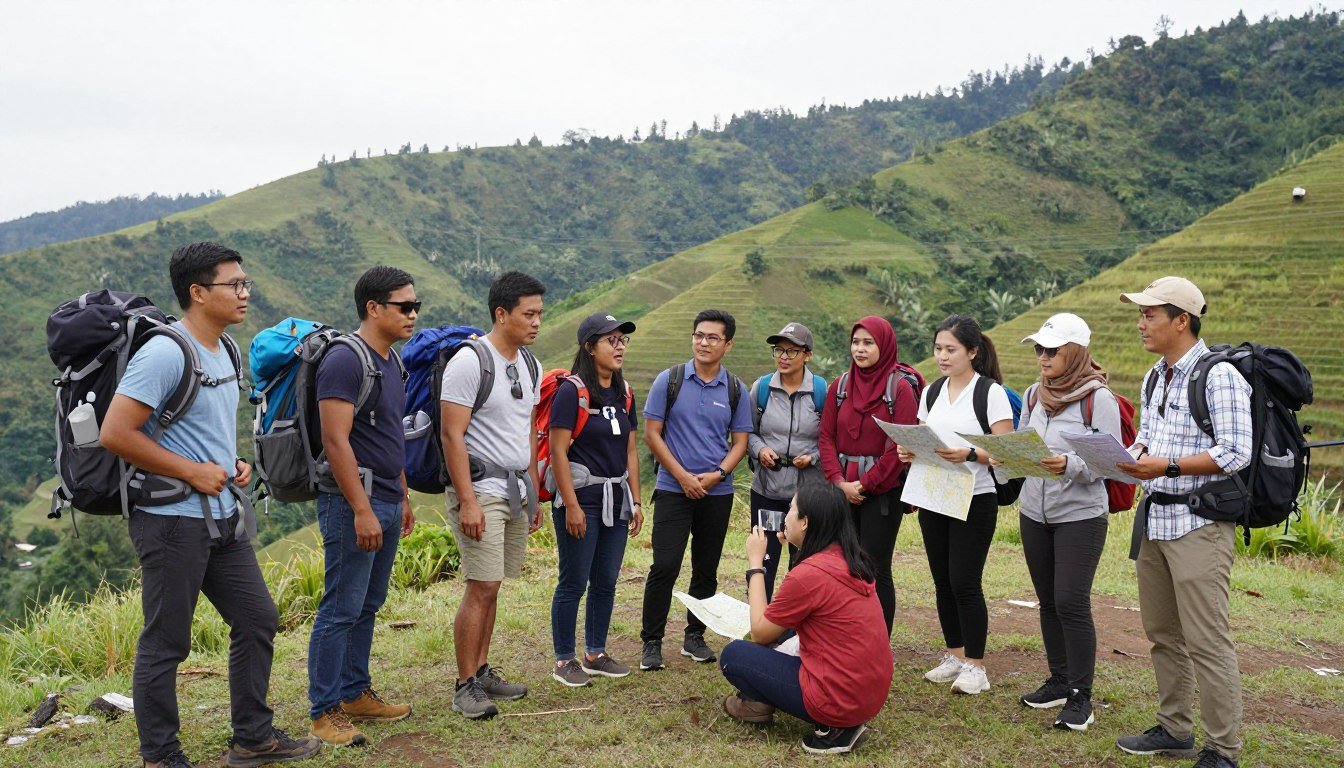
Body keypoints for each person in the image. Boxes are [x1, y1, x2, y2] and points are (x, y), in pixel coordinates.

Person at [101, 242, 320, 768]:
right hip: (171, 523)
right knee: (167, 642)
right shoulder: (165, 352)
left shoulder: (227, 349)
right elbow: (115, 432)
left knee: (258, 619)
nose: (246, 293)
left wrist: (233, 463)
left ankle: (253, 738)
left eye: (245, 283)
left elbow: (202, 431)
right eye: (234, 285)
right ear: (198, 293)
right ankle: (161, 755)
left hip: (222, 515)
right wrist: (192, 471)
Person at [1115, 277, 1252, 768]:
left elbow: (1236, 451)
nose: (1141, 323)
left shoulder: (1218, 375)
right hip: (1157, 521)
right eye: (1141, 314)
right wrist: (1121, 459)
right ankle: (1174, 728)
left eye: (1150, 314)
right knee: (1163, 634)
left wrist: (1167, 467)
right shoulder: (1157, 375)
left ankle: (1223, 750)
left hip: (1200, 524)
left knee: (1207, 640)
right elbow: (1146, 442)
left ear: (1181, 320)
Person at [307, 266, 418, 746]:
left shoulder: (391, 360)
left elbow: (389, 434)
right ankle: (324, 710)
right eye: (404, 306)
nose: (413, 314)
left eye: (416, 305)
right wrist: (361, 508)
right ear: (374, 308)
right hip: (355, 501)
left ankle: (354, 694)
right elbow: (336, 439)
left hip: (388, 497)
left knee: (368, 602)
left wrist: (403, 495)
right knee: (341, 605)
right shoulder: (344, 361)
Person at [439, 270, 546, 720]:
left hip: (515, 488)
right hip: (481, 489)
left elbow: (525, 430)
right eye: (529, 314)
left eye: (540, 313)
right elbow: (451, 434)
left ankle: (482, 671)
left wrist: (535, 492)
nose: (537, 322)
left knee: (494, 583)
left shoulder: (530, 364)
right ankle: (465, 685)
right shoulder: (469, 361)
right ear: (501, 314)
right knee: (480, 585)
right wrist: (466, 500)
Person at [718, 482, 892, 756]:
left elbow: (761, 633)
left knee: (734, 655)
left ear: (806, 522)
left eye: (791, 509)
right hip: (869, 693)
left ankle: (833, 729)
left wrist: (755, 563)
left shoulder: (809, 574)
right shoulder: (851, 559)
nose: (786, 515)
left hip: (837, 698)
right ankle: (757, 704)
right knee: (785, 632)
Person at [896, 314, 1013, 696]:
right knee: (942, 581)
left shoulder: (989, 393)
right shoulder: (931, 391)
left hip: (975, 498)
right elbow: (925, 436)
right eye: (938, 349)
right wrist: (908, 450)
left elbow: (1006, 453)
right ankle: (955, 656)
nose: (943, 356)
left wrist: (970, 454)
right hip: (934, 494)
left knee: (965, 581)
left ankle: (977, 667)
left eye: (951, 349)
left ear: (973, 352)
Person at [1015, 313, 1120, 732]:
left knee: (1071, 602)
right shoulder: (1032, 395)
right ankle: (1059, 680)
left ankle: (1081, 696)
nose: (1042, 356)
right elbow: (1023, 442)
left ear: (1074, 352)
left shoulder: (1099, 400)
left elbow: (1108, 462)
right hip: (1033, 511)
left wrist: (1067, 465)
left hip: (1079, 515)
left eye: (1051, 350)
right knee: (1048, 601)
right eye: (1039, 348)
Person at [639, 309, 753, 671]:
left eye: (713, 337)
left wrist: (718, 474)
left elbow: (740, 442)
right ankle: (652, 642)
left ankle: (694, 637)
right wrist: (684, 477)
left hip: (716, 493)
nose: (704, 343)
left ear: (728, 344)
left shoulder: (735, 389)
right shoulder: (669, 380)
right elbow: (652, 434)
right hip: (673, 489)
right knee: (665, 565)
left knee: (706, 568)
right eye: (699, 335)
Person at [548, 313, 645, 687]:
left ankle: (595, 653)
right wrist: (570, 505)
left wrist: (636, 500)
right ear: (590, 347)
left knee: (606, 578)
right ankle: (563, 660)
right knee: (573, 580)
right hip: (582, 499)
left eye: (623, 340)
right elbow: (558, 452)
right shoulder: (571, 392)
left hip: (616, 499)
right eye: (611, 340)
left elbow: (631, 450)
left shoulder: (625, 393)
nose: (619, 346)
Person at [817, 316, 915, 634]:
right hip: (842, 489)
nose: (860, 349)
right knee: (843, 564)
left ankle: (877, 640)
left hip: (883, 492)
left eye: (868, 342)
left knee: (875, 566)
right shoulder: (841, 386)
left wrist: (866, 483)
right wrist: (839, 482)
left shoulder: (898, 389)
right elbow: (826, 437)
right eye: (856, 342)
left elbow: (899, 444)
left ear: (883, 346)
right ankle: (848, 633)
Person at [747, 322, 825, 600]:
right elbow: (748, 432)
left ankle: (797, 628)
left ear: (807, 355)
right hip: (767, 490)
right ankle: (759, 622)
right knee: (765, 558)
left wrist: (812, 457)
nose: (783, 356)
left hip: (806, 495)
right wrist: (759, 450)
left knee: (803, 563)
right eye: (778, 350)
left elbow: (829, 439)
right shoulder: (762, 388)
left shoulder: (820, 391)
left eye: (791, 351)